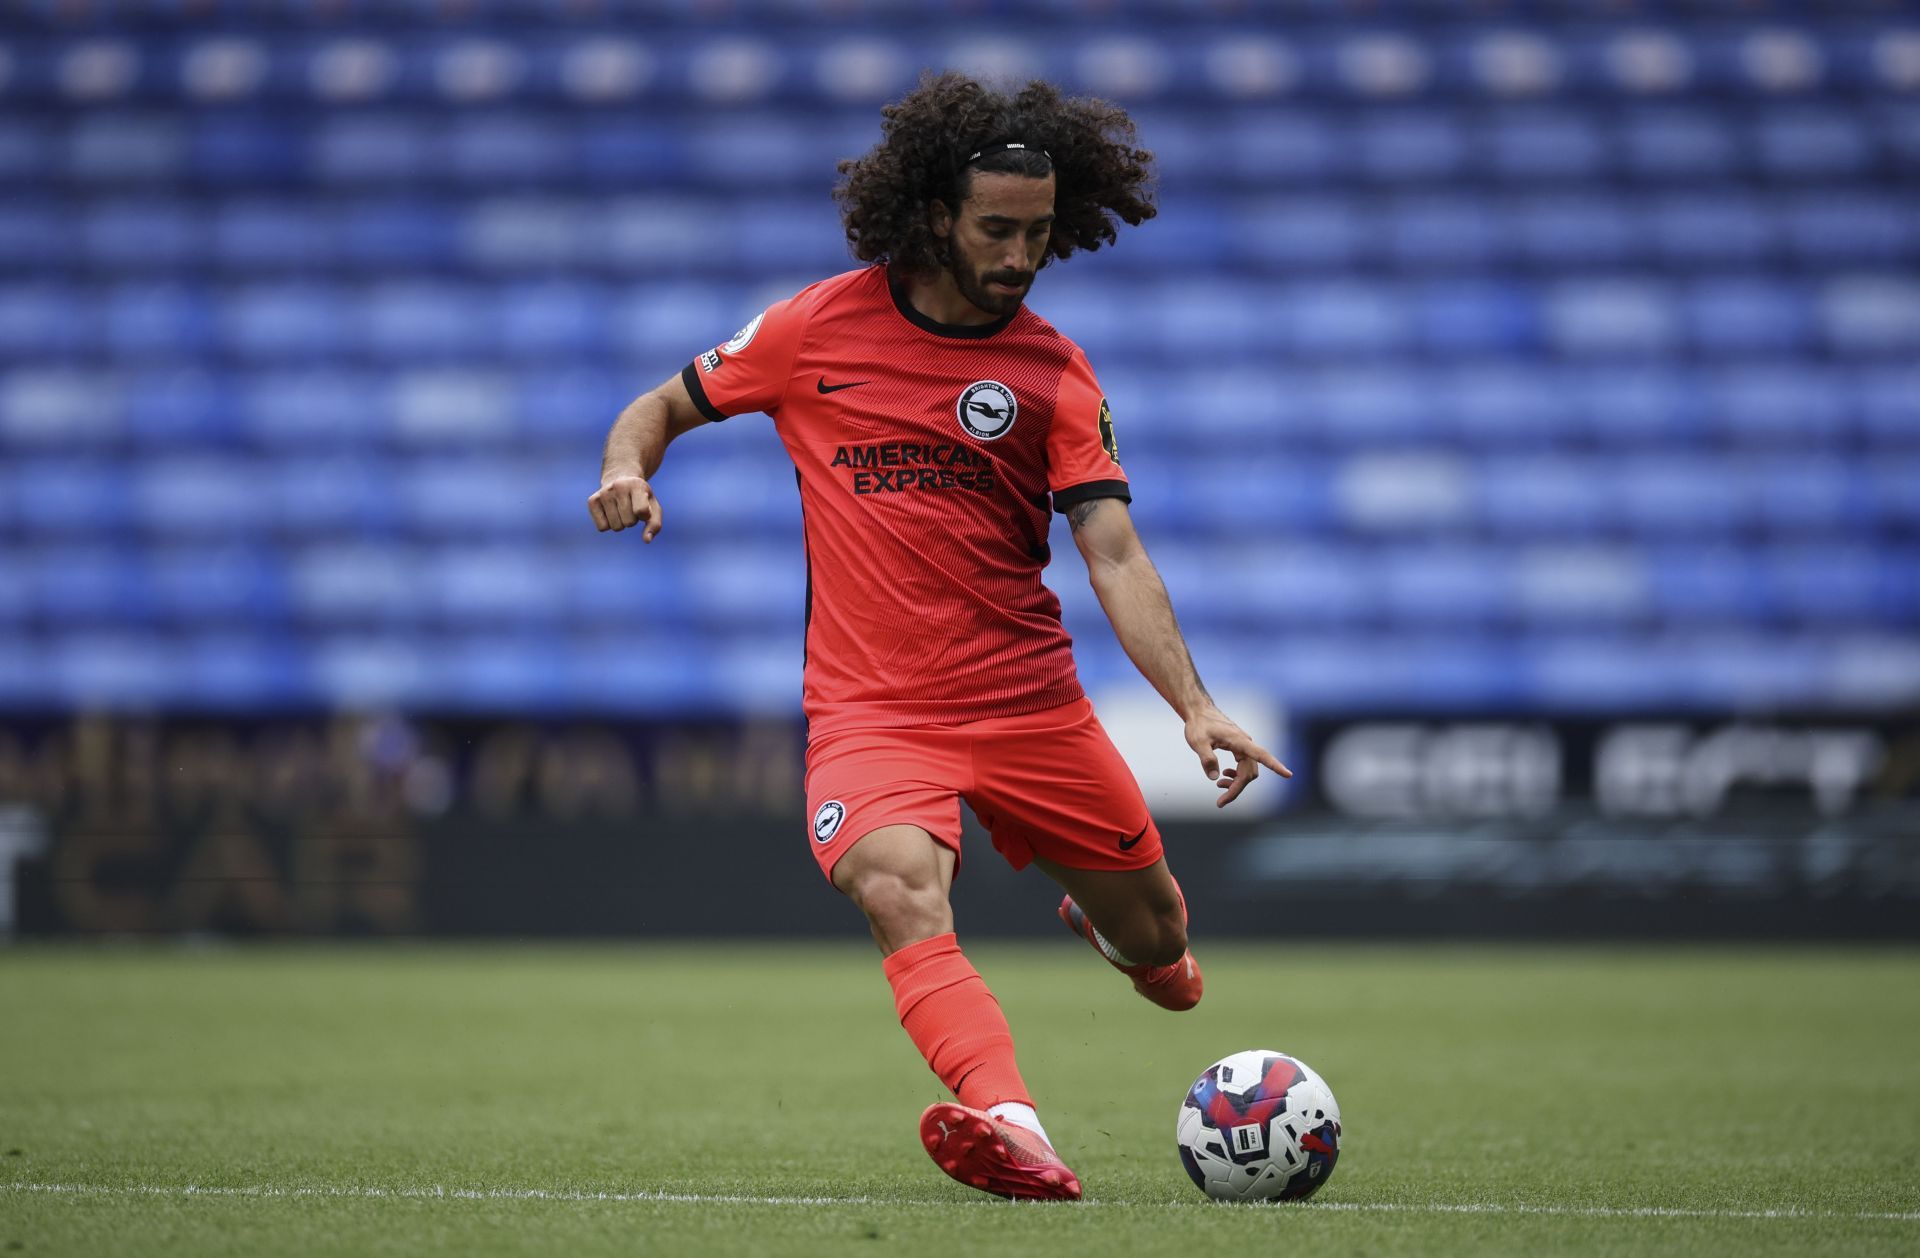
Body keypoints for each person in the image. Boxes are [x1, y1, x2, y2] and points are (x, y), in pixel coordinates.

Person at [588, 72, 1290, 1202]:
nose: (1019, 257)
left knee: (1166, 954)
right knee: (898, 887)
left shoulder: (1053, 371)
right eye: (997, 230)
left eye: (1041, 234)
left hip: (1029, 707)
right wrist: (627, 467)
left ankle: (1116, 935)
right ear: (932, 215)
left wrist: (1194, 706)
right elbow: (661, 403)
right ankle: (1010, 1121)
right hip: (876, 711)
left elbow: (1112, 548)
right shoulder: (813, 327)